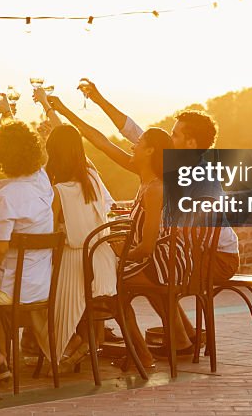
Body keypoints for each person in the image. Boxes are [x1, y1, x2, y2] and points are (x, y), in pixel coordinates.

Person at [47, 95, 179, 370]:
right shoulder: (145, 178)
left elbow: (148, 247)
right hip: (149, 256)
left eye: (139, 144)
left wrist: (121, 255)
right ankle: (96, 342)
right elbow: (99, 143)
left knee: (108, 283)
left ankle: (133, 352)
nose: (133, 145)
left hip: (161, 262)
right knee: (98, 272)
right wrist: (59, 111)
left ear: (151, 151)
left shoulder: (156, 189)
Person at [80, 82, 240, 282]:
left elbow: (191, 234)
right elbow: (133, 132)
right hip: (188, 251)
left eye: (174, 135)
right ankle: (171, 312)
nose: (169, 139)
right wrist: (99, 100)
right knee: (151, 270)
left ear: (191, 143)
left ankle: (159, 306)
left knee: (144, 273)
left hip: (216, 258)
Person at [0, 120, 54, 386]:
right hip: (40, 284)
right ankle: (0, 359)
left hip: (14, 289)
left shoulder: (9, 195)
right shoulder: (41, 184)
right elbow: (41, 163)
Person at [39, 111, 118, 368]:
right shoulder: (93, 178)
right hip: (103, 262)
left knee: (31, 291)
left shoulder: (58, 192)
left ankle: (68, 342)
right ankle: (83, 340)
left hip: (77, 265)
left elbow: (48, 235)